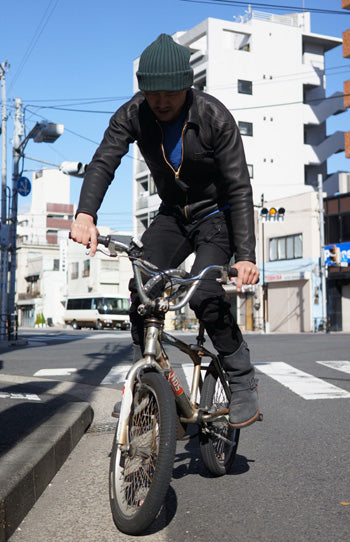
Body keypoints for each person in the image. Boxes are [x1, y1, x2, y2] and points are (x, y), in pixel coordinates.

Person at [70, 33, 260, 428]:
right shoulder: (133, 114)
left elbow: (240, 187)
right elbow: (104, 161)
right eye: (152, 93)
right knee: (142, 290)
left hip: (217, 216)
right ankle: (150, 387)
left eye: (170, 92)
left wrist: (245, 256)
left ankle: (241, 378)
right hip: (173, 215)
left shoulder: (215, 117)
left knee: (205, 292)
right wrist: (85, 214)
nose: (161, 101)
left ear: (187, 85)